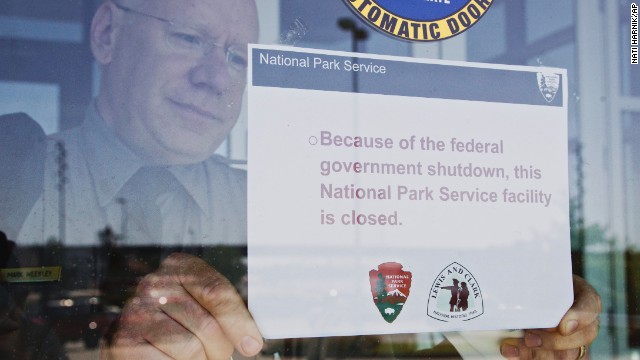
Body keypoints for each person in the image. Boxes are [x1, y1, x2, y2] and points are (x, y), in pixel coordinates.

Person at [1, 0, 601, 359]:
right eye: (188, 39)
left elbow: (346, 356)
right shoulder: (13, 181)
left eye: (239, 58)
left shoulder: (283, 213)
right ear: (107, 34)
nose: (219, 77)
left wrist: (509, 341)